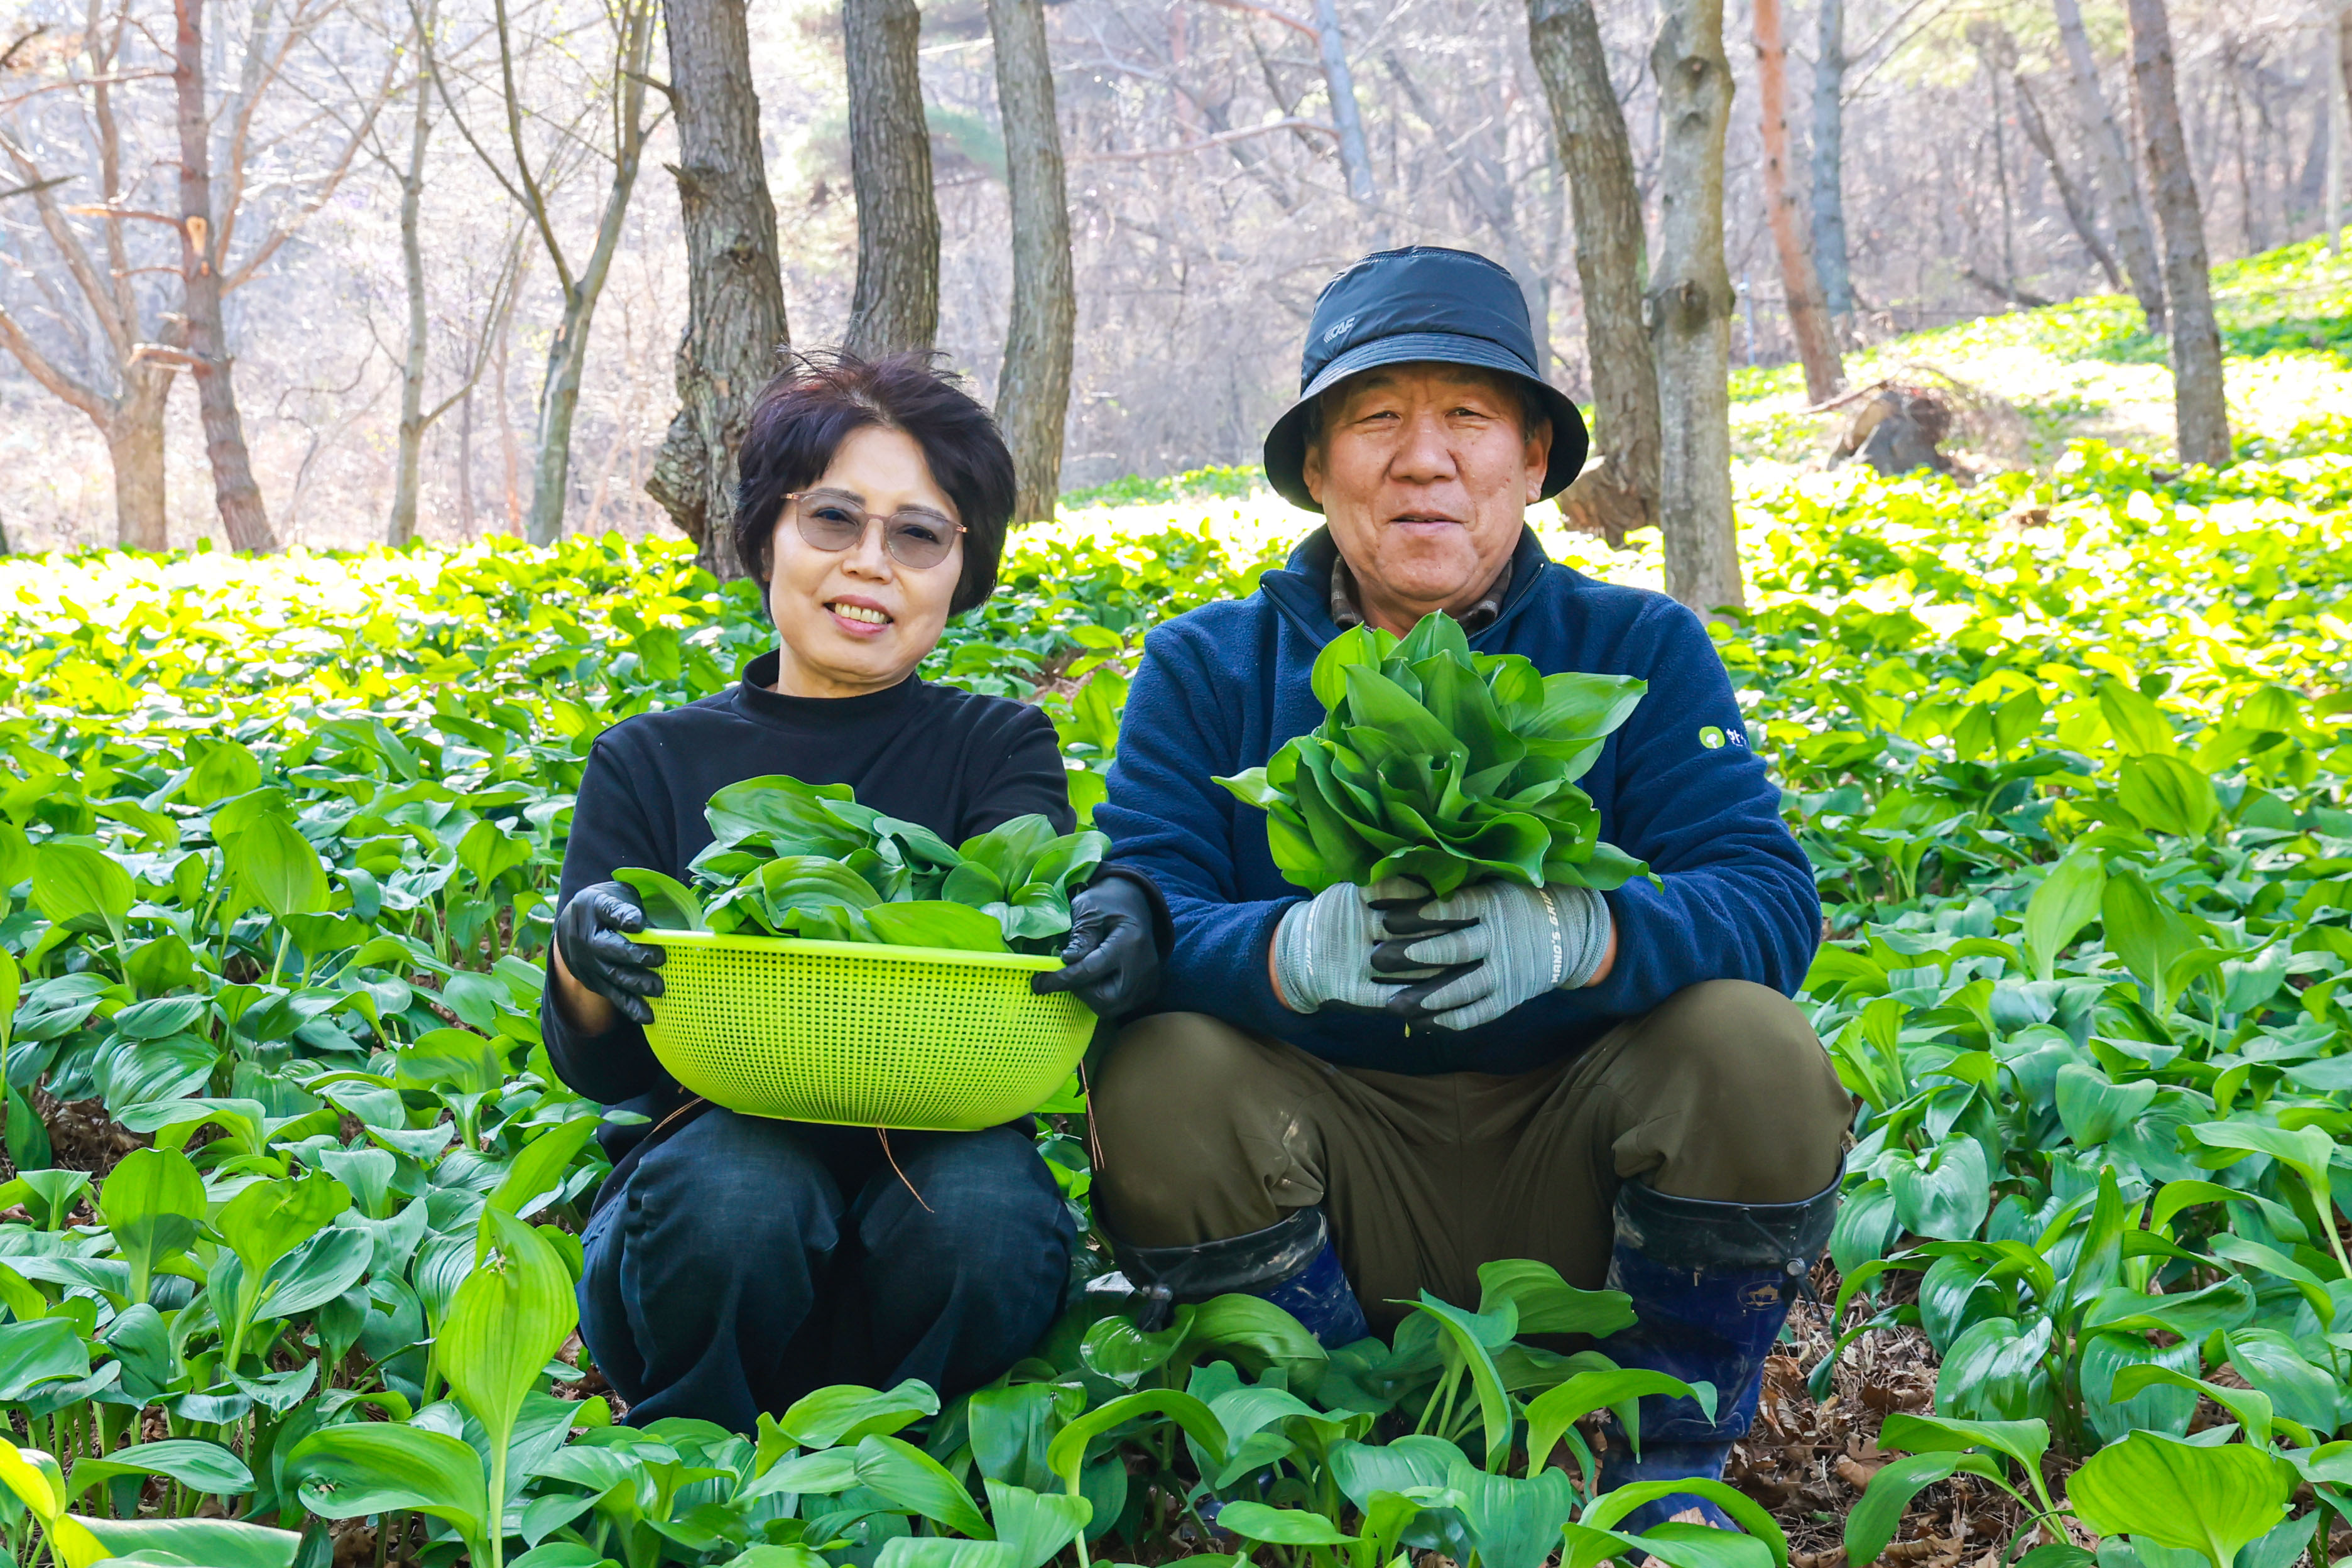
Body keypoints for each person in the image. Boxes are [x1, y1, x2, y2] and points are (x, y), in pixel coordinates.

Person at [1087, 248, 1851, 1532]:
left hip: (1577, 1170)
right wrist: (1287, 950)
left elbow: (1768, 898)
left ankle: (1671, 1455)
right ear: (1318, 469)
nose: (1423, 458)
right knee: (1158, 1066)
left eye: (1470, 418)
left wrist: (1585, 933)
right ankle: (1318, 1441)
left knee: (1754, 1045)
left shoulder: (1636, 649)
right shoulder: (1206, 664)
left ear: (1536, 460)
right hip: (1320, 1166)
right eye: (1377, 418)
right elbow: (1141, 910)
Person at [545, 351, 1165, 1434]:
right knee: (741, 1187)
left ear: (960, 572)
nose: (870, 564)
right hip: (702, 1218)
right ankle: (700, 1452)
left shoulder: (997, 744)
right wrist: (582, 953)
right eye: (833, 519)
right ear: (766, 536)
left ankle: (912, 1455)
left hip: (939, 1173)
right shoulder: (649, 760)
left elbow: (1044, 906)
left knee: (983, 1207)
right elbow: (598, 1060)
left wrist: (1121, 916)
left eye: (918, 534)